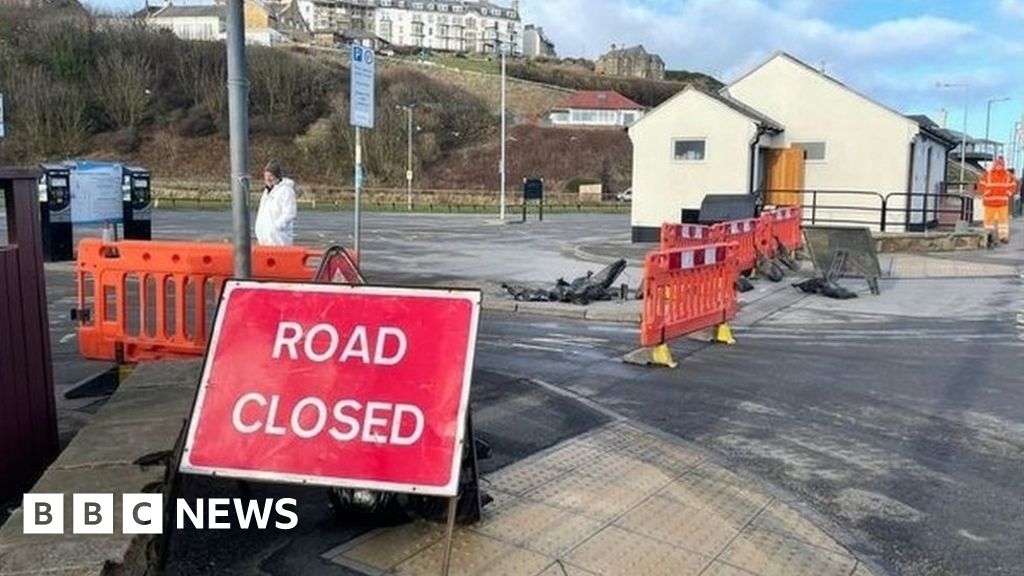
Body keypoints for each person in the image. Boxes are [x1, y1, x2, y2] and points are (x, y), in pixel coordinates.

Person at [255, 160, 297, 246]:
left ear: (277, 176)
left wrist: (276, 228)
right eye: (266, 175)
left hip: (279, 240)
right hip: (265, 239)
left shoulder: (286, 190)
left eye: (270, 175)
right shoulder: (267, 191)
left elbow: (289, 213)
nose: (267, 178)